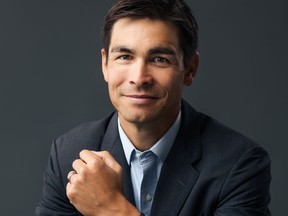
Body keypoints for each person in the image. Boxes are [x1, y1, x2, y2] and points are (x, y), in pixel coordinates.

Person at [35, 0, 271, 215]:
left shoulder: (239, 165)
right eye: (125, 57)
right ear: (105, 64)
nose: (139, 78)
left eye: (159, 59)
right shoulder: (68, 154)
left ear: (190, 68)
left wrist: (111, 209)